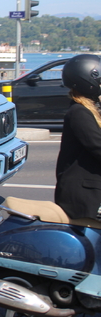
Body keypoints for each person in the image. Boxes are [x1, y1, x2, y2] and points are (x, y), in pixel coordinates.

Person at [55, 54, 101, 221]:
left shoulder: (90, 111)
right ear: (89, 82)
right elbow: (98, 146)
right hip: (84, 197)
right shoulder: (79, 113)